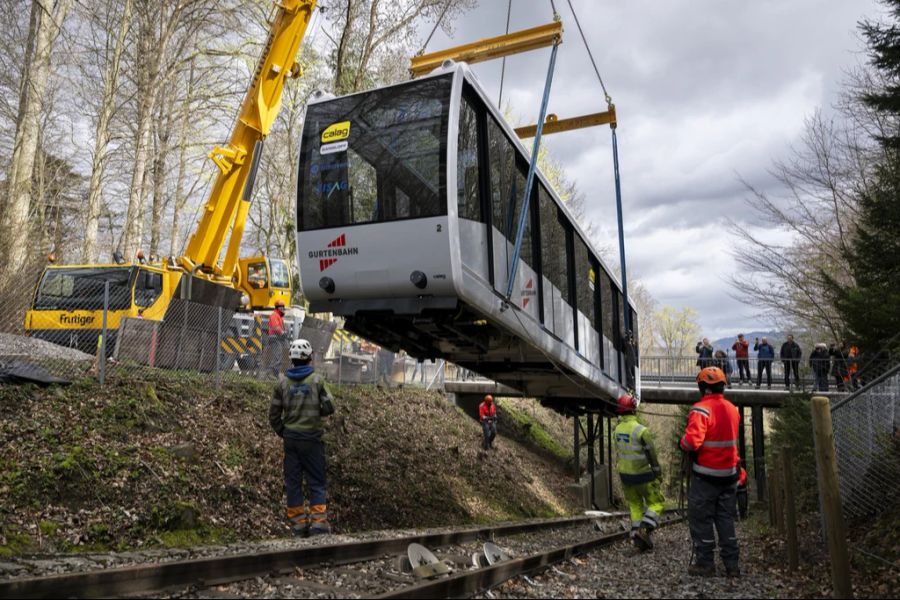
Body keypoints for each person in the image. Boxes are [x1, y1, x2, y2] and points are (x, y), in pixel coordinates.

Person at [269, 338, 336, 537]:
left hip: (291, 440)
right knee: (316, 481)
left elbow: (273, 415)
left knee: (293, 482)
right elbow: (330, 406)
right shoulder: (317, 381)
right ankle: (319, 525)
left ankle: (298, 525)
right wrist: (316, 414)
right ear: (308, 358)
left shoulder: (281, 383)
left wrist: (284, 431)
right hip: (312, 439)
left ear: (291, 358)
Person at [680, 366, 741, 577]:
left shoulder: (701, 409)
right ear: (723, 386)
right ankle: (732, 565)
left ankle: (705, 563)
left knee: (701, 518)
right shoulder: (733, 409)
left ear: (702, 387)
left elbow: (692, 442)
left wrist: (683, 443)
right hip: (729, 475)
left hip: (706, 476)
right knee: (725, 518)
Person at [614, 394, 665, 552]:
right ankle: (644, 529)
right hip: (643, 475)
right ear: (633, 409)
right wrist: (658, 474)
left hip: (625, 476)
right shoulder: (642, 431)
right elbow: (652, 456)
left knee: (635, 505)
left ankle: (637, 536)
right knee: (656, 502)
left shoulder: (617, 430)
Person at [264, 300, 287, 377]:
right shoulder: (274, 315)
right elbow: (275, 327)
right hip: (274, 338)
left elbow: (280, 327)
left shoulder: (279, 316)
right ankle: (270, 373)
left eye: (283, 307)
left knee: (278, 356)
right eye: (281, 307)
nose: (282, 309)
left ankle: (274, 374)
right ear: (277, 308)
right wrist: (282, 333)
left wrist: (284, 332)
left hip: (278, 338)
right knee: (277, 356)